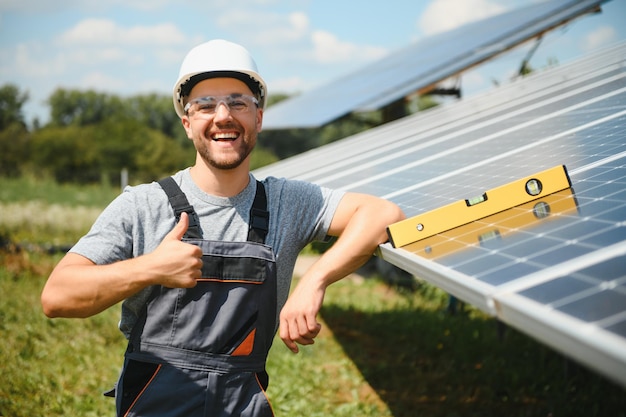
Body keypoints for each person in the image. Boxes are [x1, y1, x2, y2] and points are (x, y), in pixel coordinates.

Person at [41, 39, 405, 416]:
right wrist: (152, 268)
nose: (223, 116)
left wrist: (315, 279)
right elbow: (57, 296)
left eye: (237, 102)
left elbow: (383, 214)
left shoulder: (287, 203)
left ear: (258, 118)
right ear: (187, 123)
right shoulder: (144, 205)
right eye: (205, 105)